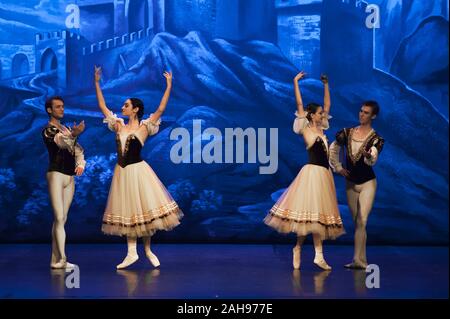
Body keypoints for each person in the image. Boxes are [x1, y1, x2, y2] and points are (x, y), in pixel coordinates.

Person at [94, 66, 183, 269]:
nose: (122, 107)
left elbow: (160, 109)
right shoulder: (118, 125)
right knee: (129, 213)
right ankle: (131, 252)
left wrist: (169, 85)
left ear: (135, 109)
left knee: (144, 212)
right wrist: (97, 82)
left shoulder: (145, 127)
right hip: (122, 172)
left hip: (138, 171)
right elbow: (102, 106)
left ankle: (148, 250)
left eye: (126, 105)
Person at [264, 71, 344, 270]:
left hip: (324, 174)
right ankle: (299, 248)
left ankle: (318, 255)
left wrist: (326, 85)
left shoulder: (322, 130)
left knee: (316, 217)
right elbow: (299, 106)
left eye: (322, 114)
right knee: (307, 217)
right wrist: (295, 82)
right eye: (318, 113)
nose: (322, 114)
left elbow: (328, 106)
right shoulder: (306, 129)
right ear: (311, 115)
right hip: (311, 174)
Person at [329, 101, 384, 269]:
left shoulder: (376, 139)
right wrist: (338, 167)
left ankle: (360, 260)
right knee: (357, 223)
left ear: (373, 116)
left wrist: (368, 156)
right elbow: (333, 149)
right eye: (361, 111)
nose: (362, 114)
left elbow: (372, 158)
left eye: (366, 112)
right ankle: (359, 260)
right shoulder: (347, 132)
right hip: (350, 183)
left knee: (362, 220)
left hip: (368, 183)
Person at [42, 96, 86, 269]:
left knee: (62, 219)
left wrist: (81, 164)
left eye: (62, 106)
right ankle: (63, 259)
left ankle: (55, 260)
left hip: (69, 177)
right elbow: (61, 143)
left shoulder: (65, 128)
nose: (62, 109)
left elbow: (78, 150)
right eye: (58, 107)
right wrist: (74, 134)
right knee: (59, 218)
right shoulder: (48, 130)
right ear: (49, 110)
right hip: (56, 175)